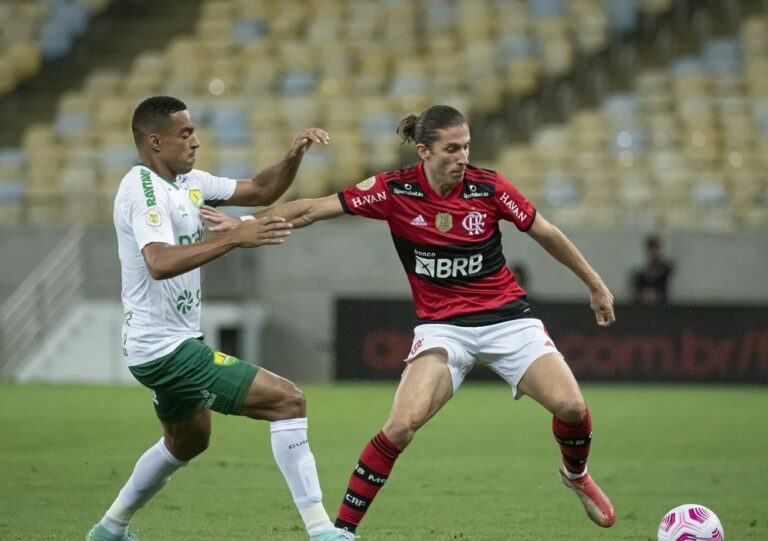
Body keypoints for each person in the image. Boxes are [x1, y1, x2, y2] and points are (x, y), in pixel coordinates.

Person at [203, 105, 617, 537]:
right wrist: (245, 225)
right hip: (443, 329)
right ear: (423, 151)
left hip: (507, 320)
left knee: (571, 406)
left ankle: (576, 474)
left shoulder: (489, 187)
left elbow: (545, 231)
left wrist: (595, 284)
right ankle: (342, 532)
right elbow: (311, 209)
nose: (463, 157)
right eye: (452, 149)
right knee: (400, 426)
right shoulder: (394, 190)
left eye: (467, 147)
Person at [86, 96, 349, 541]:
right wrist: (237, 237)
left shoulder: (188, 181)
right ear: (155, 141)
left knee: (188, 441)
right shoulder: (143, 190)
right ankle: (322, 530)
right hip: (164, 348)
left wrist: (293, 155)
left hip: (166, 343)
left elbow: (262, 190)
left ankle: (110, 528)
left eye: (194, 132)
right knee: (288, 401)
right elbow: (159, 262)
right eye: (185, 134)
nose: (196, 141)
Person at [631, 234, 674, 305]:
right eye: (651, 250)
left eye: (655, 249)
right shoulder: (641, 272)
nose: (653, 253)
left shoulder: (665, 268)